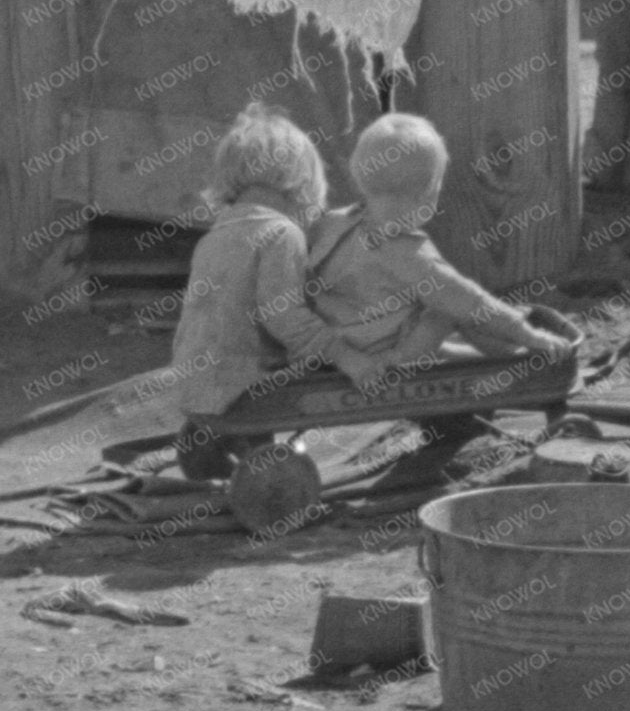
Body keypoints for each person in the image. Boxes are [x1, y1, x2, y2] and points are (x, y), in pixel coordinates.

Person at [300, 113, 563, 389]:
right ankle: (518, 358)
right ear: (426, 198)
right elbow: (471, 301)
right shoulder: (410, 254)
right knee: (452, 310)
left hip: (336, 343)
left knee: (430, 306)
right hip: (379, 350)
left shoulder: (334, 222)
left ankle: (462, 355)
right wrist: (527, 333)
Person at [168, 103, 334, 477]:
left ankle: (217, 451)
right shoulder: (281, 233)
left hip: (193, 380)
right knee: (314, 361)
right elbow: (282, 315)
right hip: (244, 384)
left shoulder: (215, 235)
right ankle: (269, 473)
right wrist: (330, 344)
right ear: (303, 179)